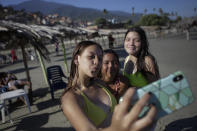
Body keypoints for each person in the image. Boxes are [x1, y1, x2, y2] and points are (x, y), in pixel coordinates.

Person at [61, 41, 156, 131]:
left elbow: (115, 109)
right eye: (91, 57)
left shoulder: (99, 83)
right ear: (77, 59)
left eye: (100, 58)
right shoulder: (70, 98)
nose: (97, 62)